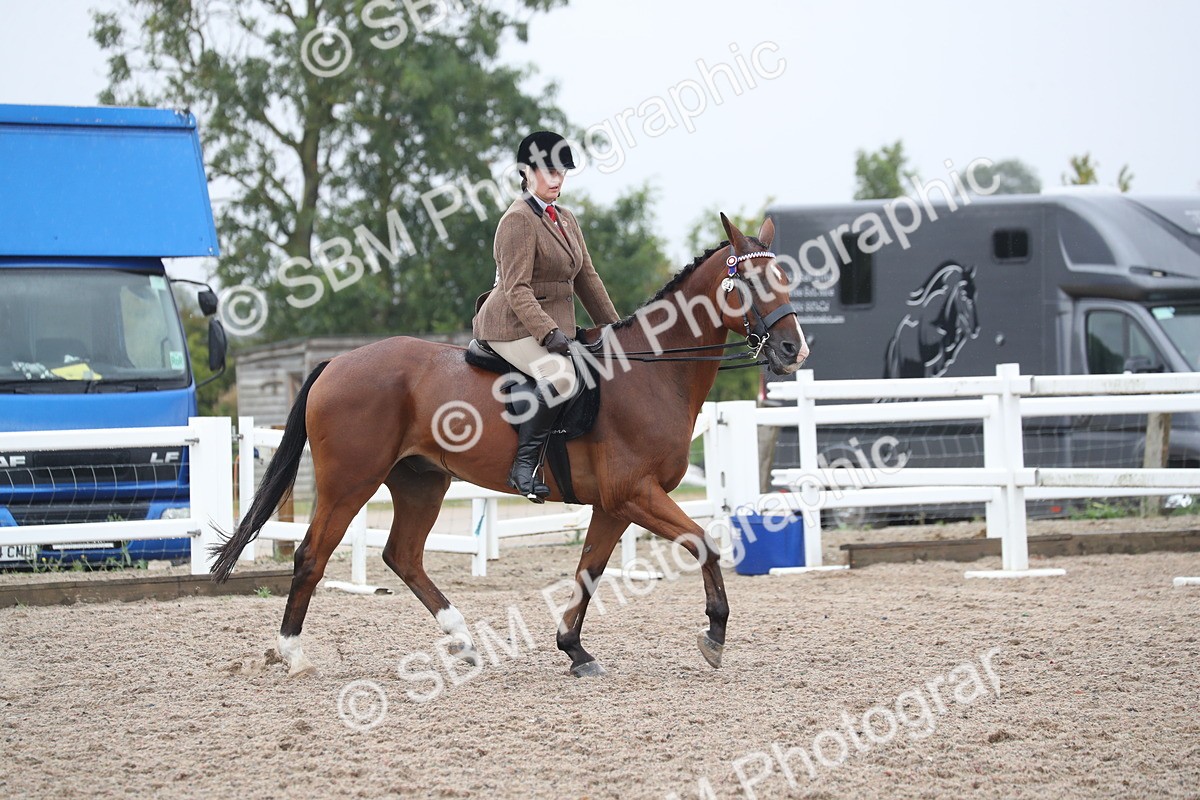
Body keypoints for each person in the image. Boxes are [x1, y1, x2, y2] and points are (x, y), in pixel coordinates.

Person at [472, 130, 621, 502]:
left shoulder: (566, 218)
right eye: (548, 172)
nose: (557, 179)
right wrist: (549, 333)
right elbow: (516, 289)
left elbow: (587, 278)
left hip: (547, 324)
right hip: (510, 325)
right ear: (526, 172)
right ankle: (523, 468)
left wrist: (617, 327)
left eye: (562, 172)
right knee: (563, 377)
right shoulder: (518, 220)